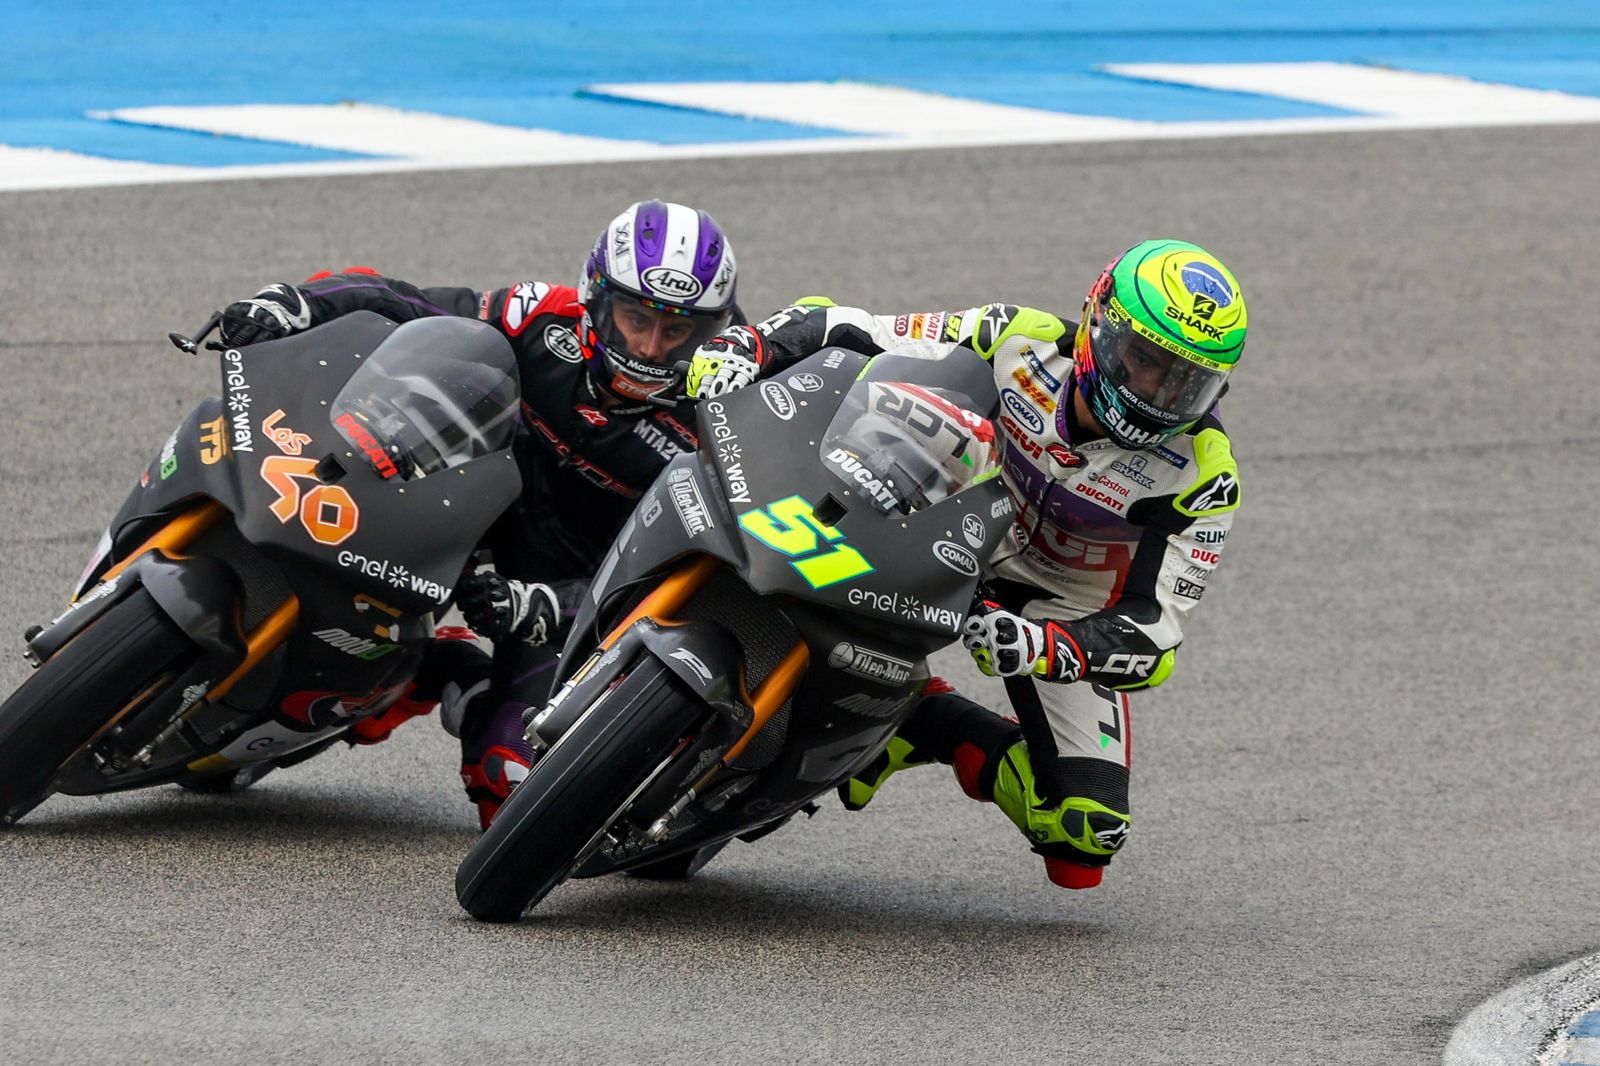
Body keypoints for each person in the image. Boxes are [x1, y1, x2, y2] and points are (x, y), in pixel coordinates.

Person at [684, 239, 1247, 888]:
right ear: (1099, 319)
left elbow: (1155, 633)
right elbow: (853, 328)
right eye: (1145, 361)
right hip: (949, 521)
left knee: (1084, 834)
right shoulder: (1017, 338)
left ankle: (919, 719)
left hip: (1056, 609)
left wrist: (1048, 647)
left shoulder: (1204, 474)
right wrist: (751, 345)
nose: (1155, 393)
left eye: (1185, 381)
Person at [219, 199, 743, 827]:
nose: (651, 346)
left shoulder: (718, 417)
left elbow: (701, 577)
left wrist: (551, 607)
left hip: (572, 594)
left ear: (710, 332)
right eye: (635, 317)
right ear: (597, 299)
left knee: (512, 783)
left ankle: (448, 675)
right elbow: (401, 303)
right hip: (460, 513)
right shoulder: (540, 319)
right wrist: (295, 304)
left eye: (677, 330)